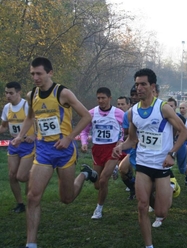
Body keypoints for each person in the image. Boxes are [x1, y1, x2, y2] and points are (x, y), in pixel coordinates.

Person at [11, 57, 96, 248]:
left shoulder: (62, 93)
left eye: (39, 73)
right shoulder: (31, 94)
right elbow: (30, 118)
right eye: (32, 73)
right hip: (43, 151)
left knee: (66, 199)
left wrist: (69, 138)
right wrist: (20, 136)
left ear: (50, 73)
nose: (35, 77)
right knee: (33, 196)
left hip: (64, 151)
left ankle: (84, 174)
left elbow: (86, 116)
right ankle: (30, 243)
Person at [113, 68, 187, 248]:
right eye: (137, 84)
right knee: (142, 206)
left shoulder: (163, 108)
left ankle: (171, 186)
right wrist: (120, 147)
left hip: (162, 166)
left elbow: (184, 132)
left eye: (143, 84)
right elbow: (132, 139)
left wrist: (171, 154)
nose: (139, 88)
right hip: (143, 165)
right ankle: (149, 245)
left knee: (161, 212)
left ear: (152, 86)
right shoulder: (132, 112)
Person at [80, 87, 125, 219]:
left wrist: (120, 141)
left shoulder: (118, 113)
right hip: (97, 149)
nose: (100, 101)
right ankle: (114, 169)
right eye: (98, 98)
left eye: (103, 98)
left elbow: (126, 128)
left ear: (109, 98)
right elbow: (84, 130)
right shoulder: (91, 113)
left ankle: (98, 209)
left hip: (112, 149)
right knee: (97, 185)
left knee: (104, 180)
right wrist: (84, 142)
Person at [0, 82, 35, 213]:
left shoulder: (26, 106)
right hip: (14, 144)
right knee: (12, 175)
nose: (8, 95)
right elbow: (3, 127)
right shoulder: (6, 107)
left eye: (11, 93)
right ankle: (20, 204)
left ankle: (32, 190)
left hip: (27, 144)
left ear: (18, 92)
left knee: (22, 176)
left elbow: (37, 121)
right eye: (6, 93)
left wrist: (34, 135)